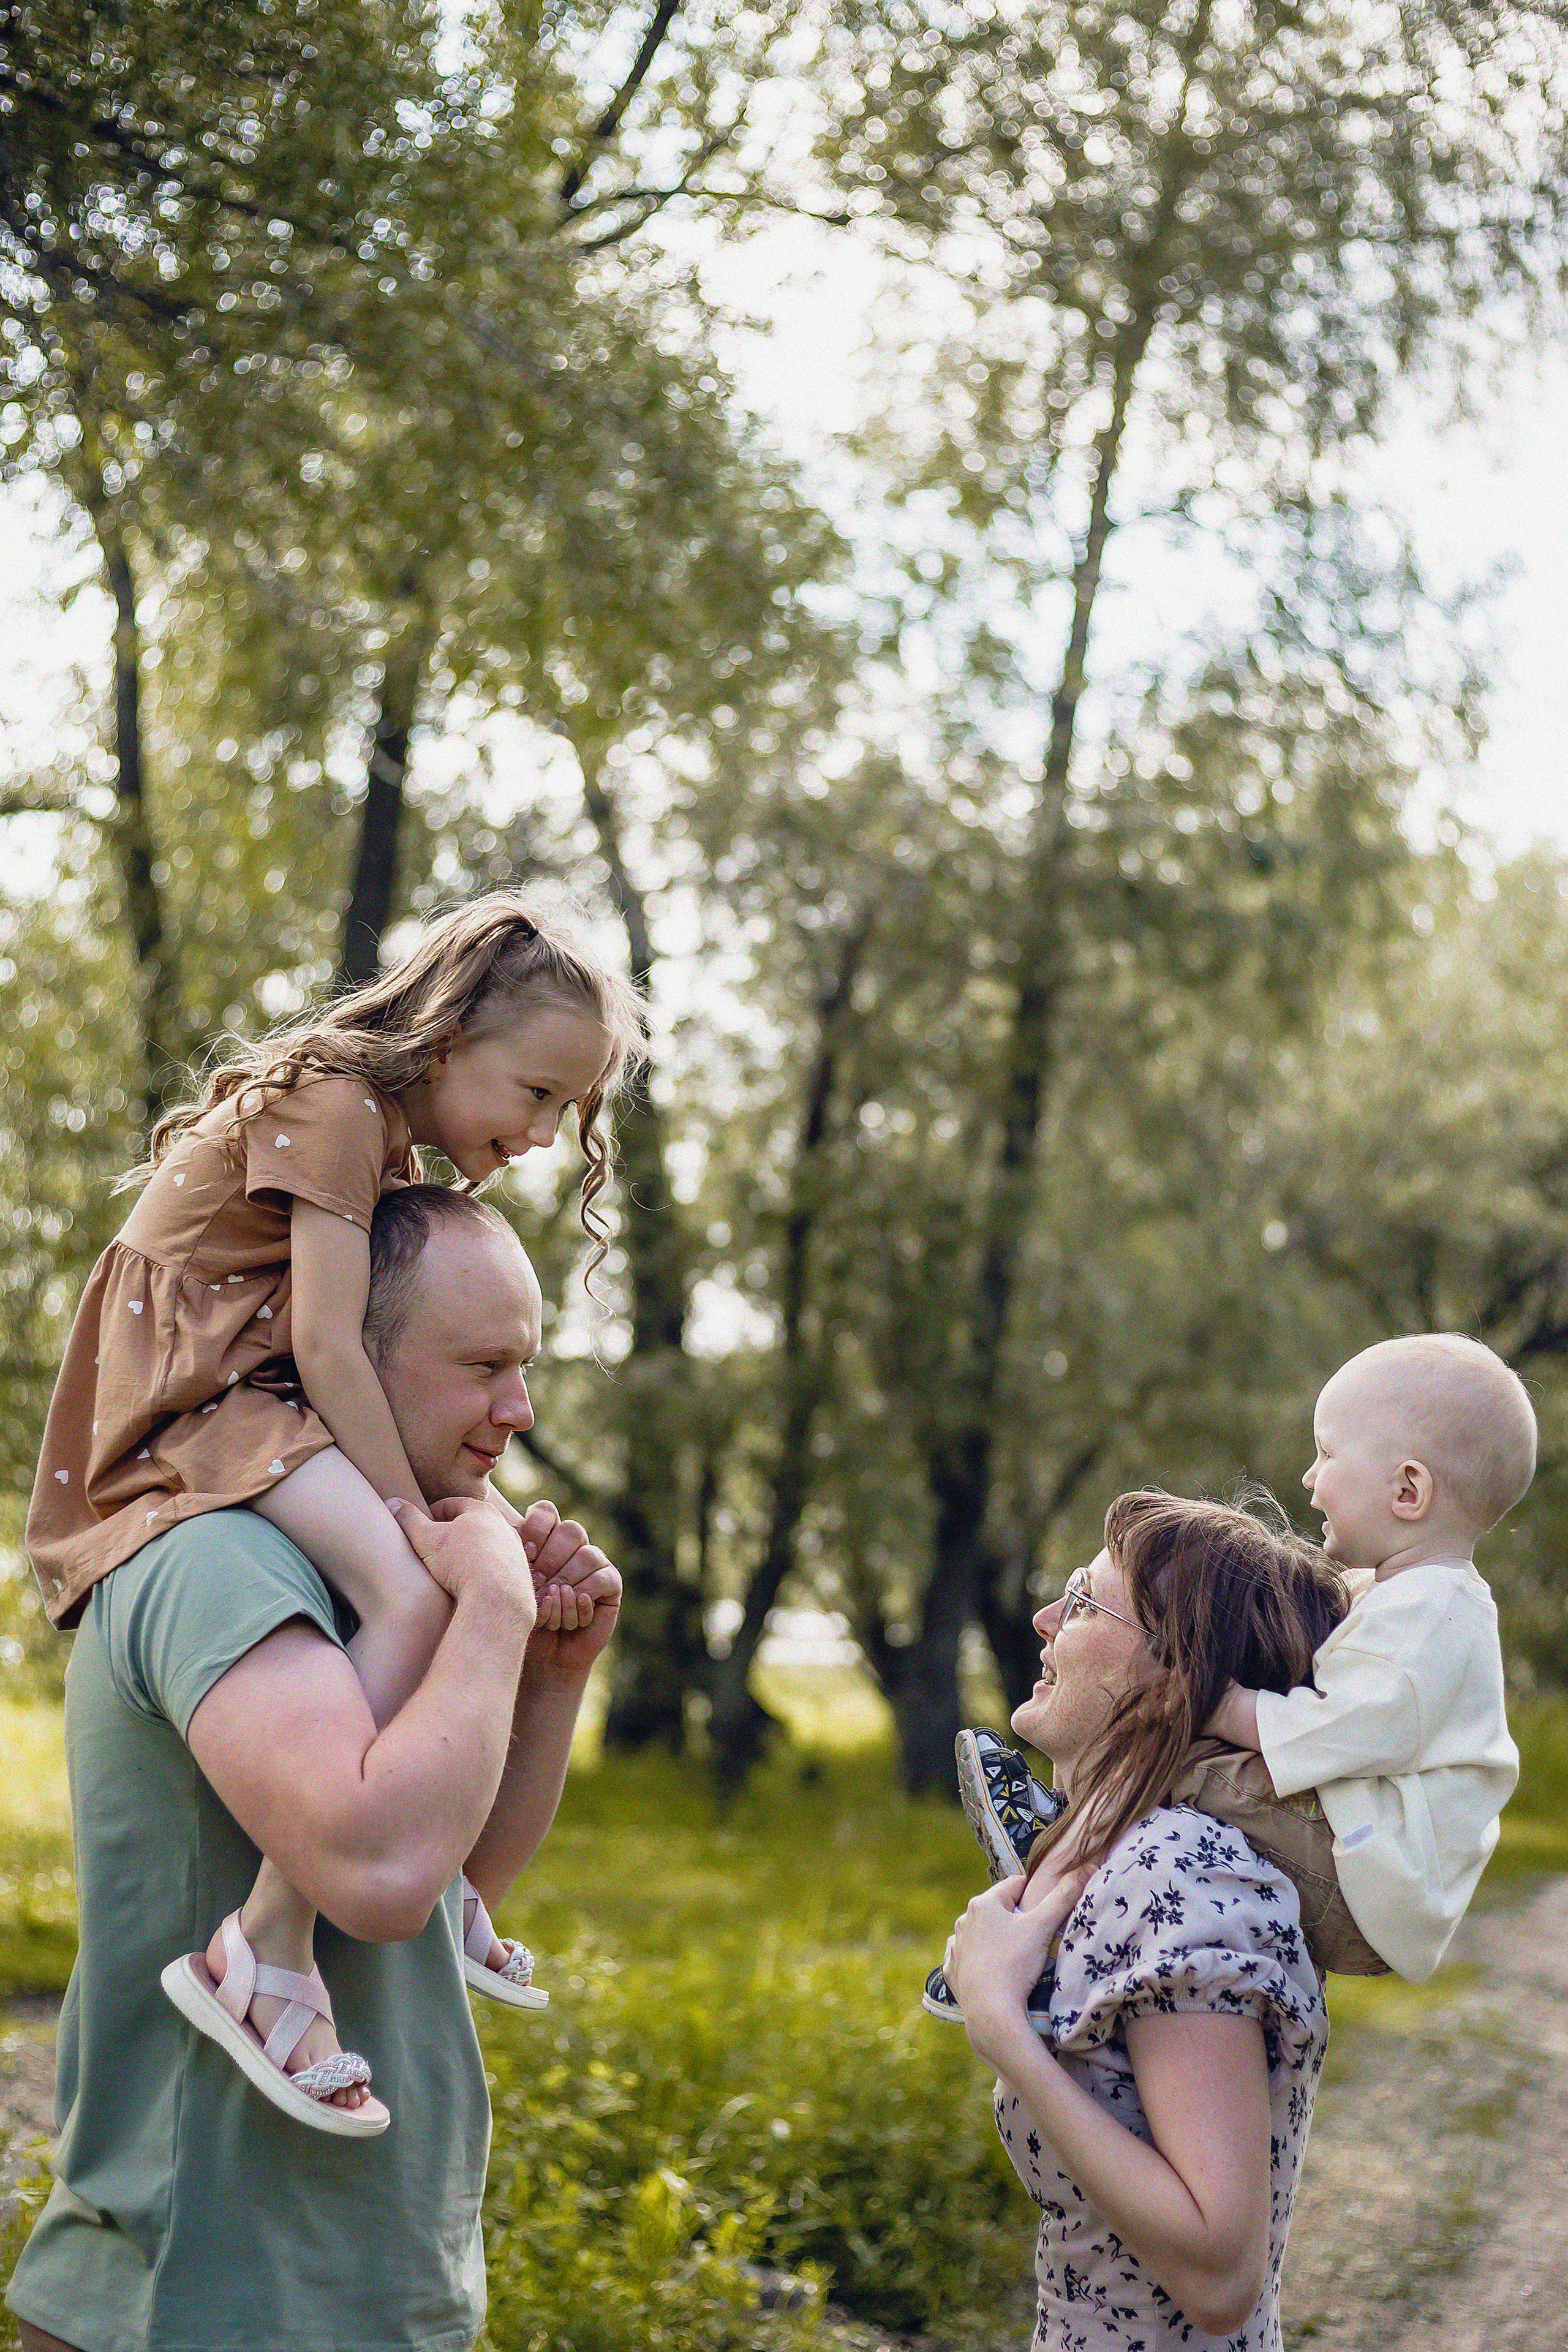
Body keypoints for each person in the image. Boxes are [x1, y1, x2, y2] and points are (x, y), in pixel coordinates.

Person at [24, 894, 645, 2128]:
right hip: (197, 1398)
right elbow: (323, 1336)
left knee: (442, 1575)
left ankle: (421, 1899)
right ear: (450, 1030)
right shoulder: (341, 1103)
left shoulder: (382, 1134)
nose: (539, 1131)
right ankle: (262, 1946)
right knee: (418, 1582)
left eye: (563, 1111)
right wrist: (415, 1514)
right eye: (531, 1093)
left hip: (243, 1390)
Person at [5, 1183, 618, 2352]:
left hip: (378, 2284)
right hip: (199, 2290)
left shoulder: (376, 1572)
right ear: (329, 1348)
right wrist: (491, 1592)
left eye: (525, 1367)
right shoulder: (215, 1557)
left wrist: (545, 1670)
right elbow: (378, 1875)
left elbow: (453, 1882)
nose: (520, 1408)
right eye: (483, 1364)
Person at [942, 1491, 1343, 2352]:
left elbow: (1220, 2276)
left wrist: (1000, 2021)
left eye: (1083, 1603)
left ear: (1172, 1670)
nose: (1046, 1619)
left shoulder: (1181, 1871)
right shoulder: (1153, 1859)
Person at [1207, 1332, 1531, 1981]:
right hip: (1360, 1861)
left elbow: (1340, 1726)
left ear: (1407, 1491)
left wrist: (1220, 1706)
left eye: (1325, 1453)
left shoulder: (1432, 1617)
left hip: (1367, 1886)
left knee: (1187, 1776)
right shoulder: (1405, 1596)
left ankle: (1058, 1852)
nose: (1307, 1477)